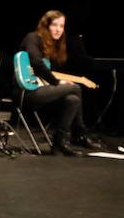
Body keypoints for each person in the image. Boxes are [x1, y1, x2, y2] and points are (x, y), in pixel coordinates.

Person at [20, 10, 100, 155]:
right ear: (46, 26)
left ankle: (60, 143)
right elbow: (36, 64)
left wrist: (57, 82)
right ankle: (80, 133)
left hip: (42, 90)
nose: (58, 30)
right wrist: (57, 82)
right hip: (27, 91)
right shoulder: (32, 38)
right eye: (55, 25)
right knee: (75, 88)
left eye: (61, 26)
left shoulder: (51, 47)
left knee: (72, 99)